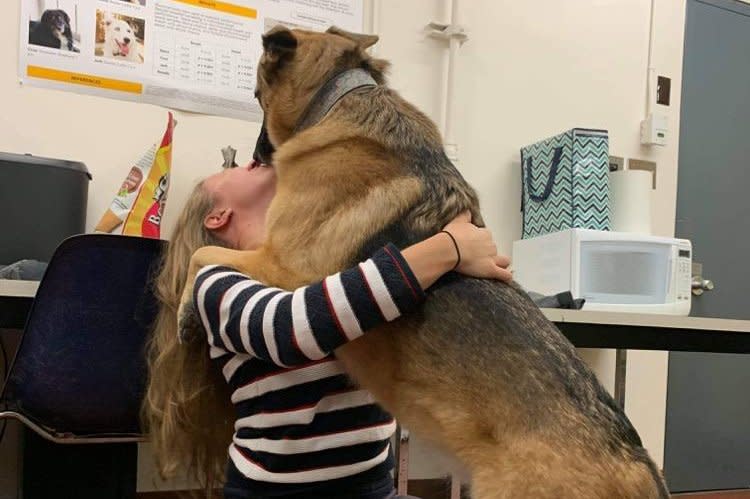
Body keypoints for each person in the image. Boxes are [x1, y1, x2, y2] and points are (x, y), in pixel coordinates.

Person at [143, 160, 512, 499]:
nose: (253, 160)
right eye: (233, 168)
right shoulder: (213, 282)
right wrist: (448, 249)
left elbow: (378, 295)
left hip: (372, 487)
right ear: (218, 216)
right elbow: (293, 329)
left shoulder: (330, 263)